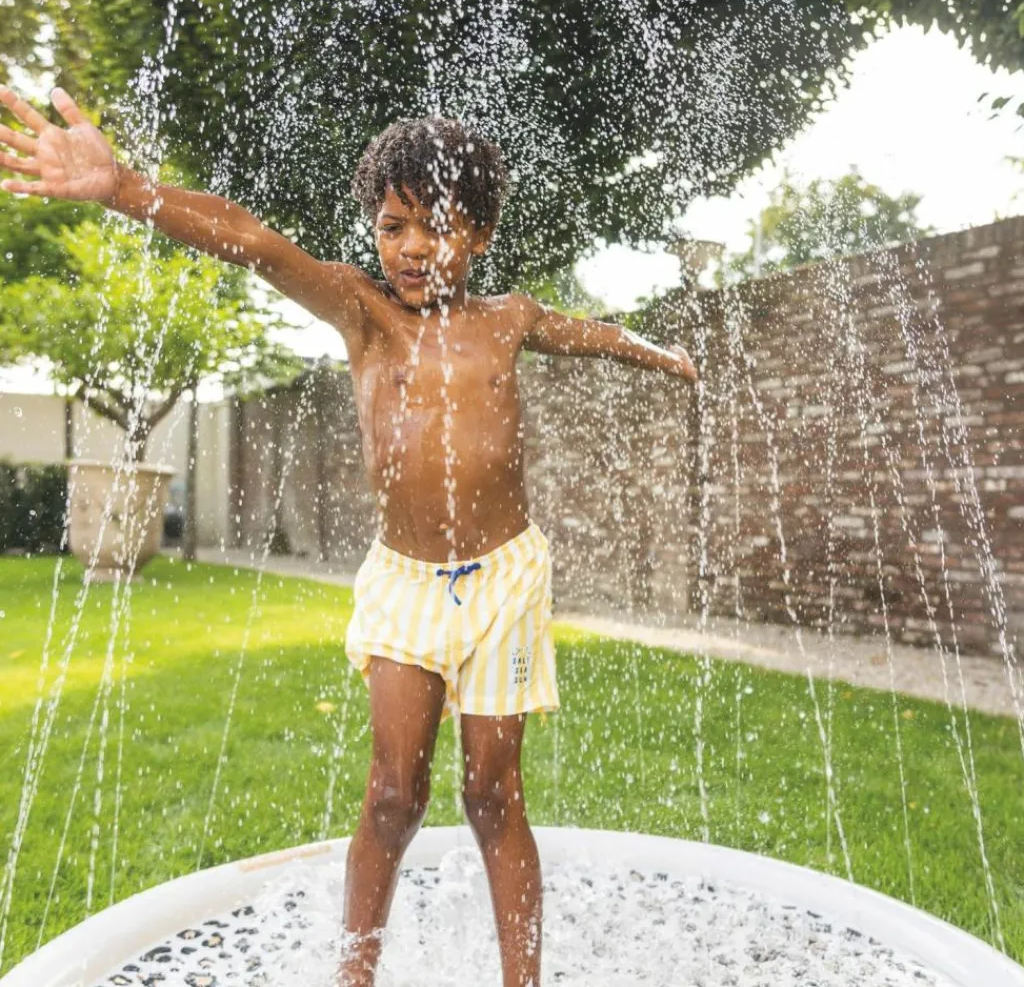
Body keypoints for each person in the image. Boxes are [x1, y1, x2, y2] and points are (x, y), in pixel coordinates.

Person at [0, 84, 699, 986]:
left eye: (435, 228)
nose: (411, 250)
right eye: (392, 226)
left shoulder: (509, 319)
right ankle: (353, 976)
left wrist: (660, 354)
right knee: (392, 796)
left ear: (479, 235)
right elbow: (253, 242)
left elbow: (590, 332)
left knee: (493, 796)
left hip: (506, 581)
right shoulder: (364, 316)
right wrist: (124, 187)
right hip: (405, 585)